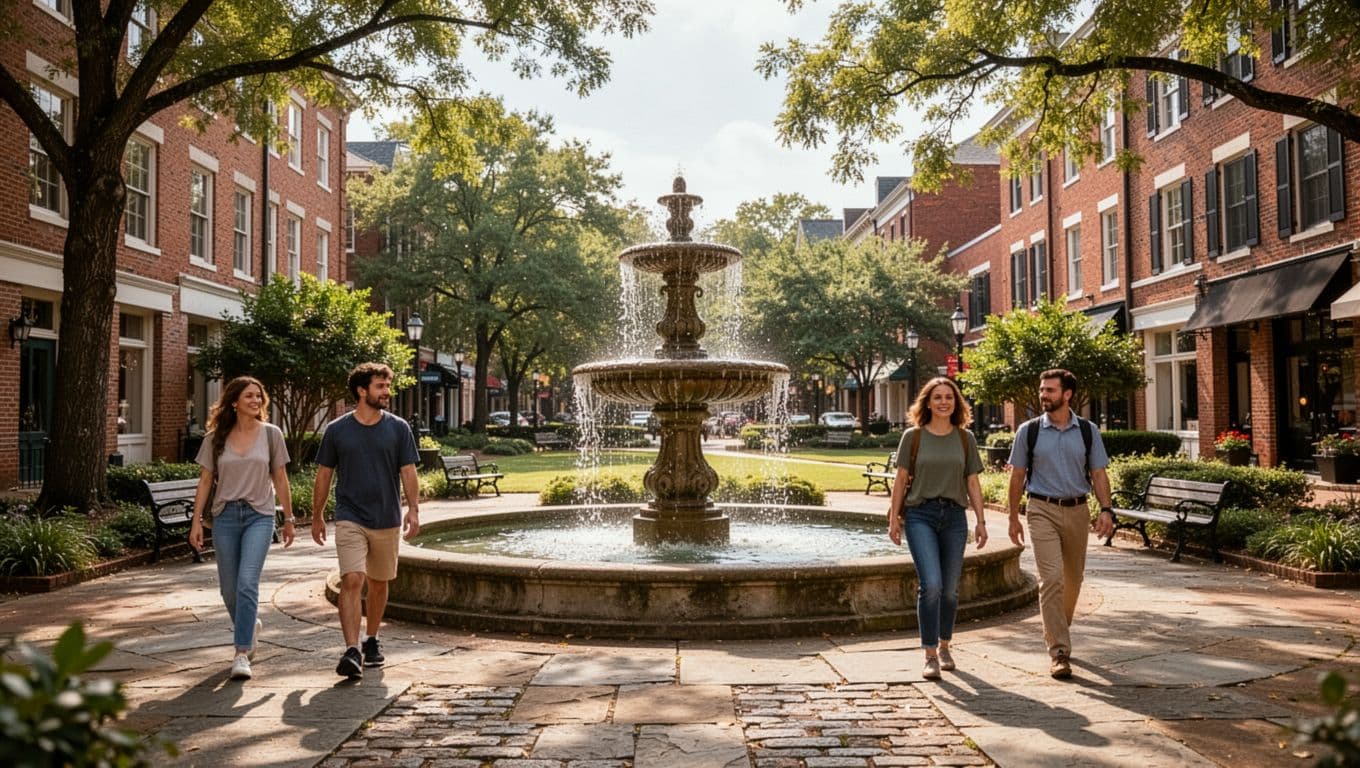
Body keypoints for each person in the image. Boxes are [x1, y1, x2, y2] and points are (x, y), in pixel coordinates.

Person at [311, 362, 421, 679]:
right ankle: (351, 650)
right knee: (352, 579)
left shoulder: (398, 428)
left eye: (387, 386)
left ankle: (371, 639)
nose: (387, 392)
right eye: (380, 386)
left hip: (386, 517)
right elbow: (324, 475)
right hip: (350, 516)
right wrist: (317, 515)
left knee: (378, 583)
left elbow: (409, 472)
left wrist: (413, 509)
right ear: (362, 390)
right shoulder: (337, 430)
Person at [1006, 369, 1115, 679]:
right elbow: (1016, 476)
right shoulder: (1029, 431)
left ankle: (1056, 628)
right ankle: (1059, 651)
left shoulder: (1087, 430)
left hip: (1078, 510)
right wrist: (1013, 517)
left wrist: (1106, 510)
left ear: (1067, 395)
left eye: (1050, 390)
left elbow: (1098, 474)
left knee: (1073, 580)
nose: (1044, 395)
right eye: (1042, 390)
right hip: (1041, 509)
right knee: (1052, 578)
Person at [188, 376, 295, 681]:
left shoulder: (271, 435)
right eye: (249, 396)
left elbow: (281, 479)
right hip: (224, 516)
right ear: (234, 402)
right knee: (228, 588)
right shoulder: (215, 438)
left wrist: (288, 519)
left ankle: (241, 652)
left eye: (259, 396)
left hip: (259, 515)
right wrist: (196, 521)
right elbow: (206, 480)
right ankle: (250, 625)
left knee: (247, 582)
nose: (256, 401)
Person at [887, 377, 988, 680]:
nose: (943, 402)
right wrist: (894, 518)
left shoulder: (964, 438)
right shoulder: (913, 436)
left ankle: (945, 645)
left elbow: (972, 481)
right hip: (921, 516)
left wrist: (981, 522)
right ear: (927, 402)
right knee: (931, 585)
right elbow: (902, 479)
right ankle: (930, 653)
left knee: (950, 590)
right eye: (937, 397)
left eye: (949, 397)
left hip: (955, 517)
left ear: (956, 402)